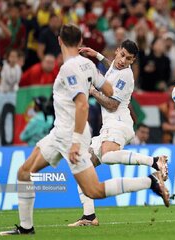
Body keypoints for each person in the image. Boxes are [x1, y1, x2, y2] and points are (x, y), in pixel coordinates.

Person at [0, 24, 169, 236]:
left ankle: (150, 181)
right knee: (24, 172)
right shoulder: (89, 66)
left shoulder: (69, 68)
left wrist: (78, 139)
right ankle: (29, 227)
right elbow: (109, 87)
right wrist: (97, 62)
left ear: (60, 41)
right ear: (79, 42)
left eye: (128, 58)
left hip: (72, 136)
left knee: (94, 189)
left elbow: (83, 104)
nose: (123, 60)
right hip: (57, 133)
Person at [67, 39, 169, 227]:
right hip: (109, 125)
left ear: (133, 61)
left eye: (129, 59)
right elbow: (111, 66)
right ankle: (89, 216)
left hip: (119, 123)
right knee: (82, 167)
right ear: (117, 51)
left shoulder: (126, 77)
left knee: (107, 157)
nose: (123, 61)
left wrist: (92, 91)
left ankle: (154, 161)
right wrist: (96, 54)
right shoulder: (116, 64)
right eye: (122, 55)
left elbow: (112, 105)